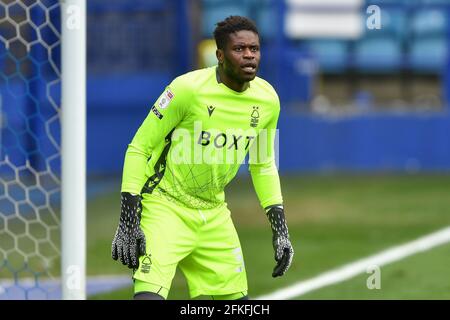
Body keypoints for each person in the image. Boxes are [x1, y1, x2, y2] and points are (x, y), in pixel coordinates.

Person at [111, 15, 294, 300]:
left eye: (254, 49)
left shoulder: (268, 99)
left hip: (214, 213)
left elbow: (262, 164)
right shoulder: (186, 89)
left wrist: (280, 228)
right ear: (219, 55)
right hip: (165, 206)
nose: (249, 55)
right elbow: (139, 148)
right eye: (239, 49)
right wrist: (128, 219)